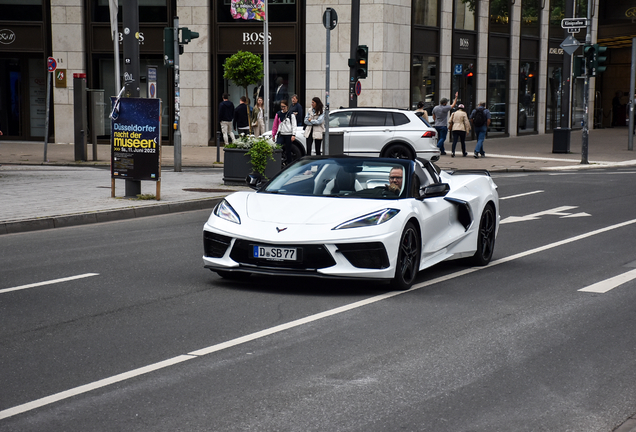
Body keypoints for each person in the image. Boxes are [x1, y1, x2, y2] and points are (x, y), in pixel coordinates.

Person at [272, 99, 296, 165]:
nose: (283, 108)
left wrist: (293, 134)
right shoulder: (278, 114)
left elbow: (294, 125)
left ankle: (289, 164)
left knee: (288, 151)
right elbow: (275, 125)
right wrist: (273, 134)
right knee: (277, 148)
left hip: (288, 134)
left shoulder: (291, 114)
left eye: (284, 106)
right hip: (281, 134)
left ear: (287, 106)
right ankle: (277, 163)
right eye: (281, 106)